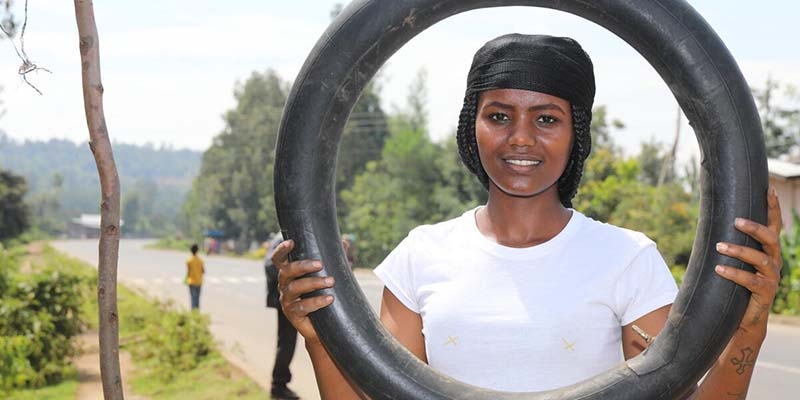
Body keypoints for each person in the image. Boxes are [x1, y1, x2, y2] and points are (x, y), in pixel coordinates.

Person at [272, 34, 783, 399]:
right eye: (499, 116)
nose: (520, 137)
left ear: (576, 133)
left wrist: (748, 331)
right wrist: (321, 339)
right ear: (472, 127)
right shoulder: (420, 257)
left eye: (546, 118)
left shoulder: (627, 260)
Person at [264, 234, 301, 400]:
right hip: (287, 300)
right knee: (287, 342)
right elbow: (270, 264)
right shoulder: (284, 238)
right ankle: (279, 384)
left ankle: (279, 383)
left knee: (287, 342)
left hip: (292, 298)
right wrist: (287, 272)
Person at [186, 243, 205, 310]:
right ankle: (197, 312)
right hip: (199, 281)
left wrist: (186, 279)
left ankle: (193, 313)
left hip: (191, 281)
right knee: (197, 298)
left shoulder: (189, 261)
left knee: (193, 298)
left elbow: (188, 272)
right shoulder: (200, 260)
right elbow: (203, 271)